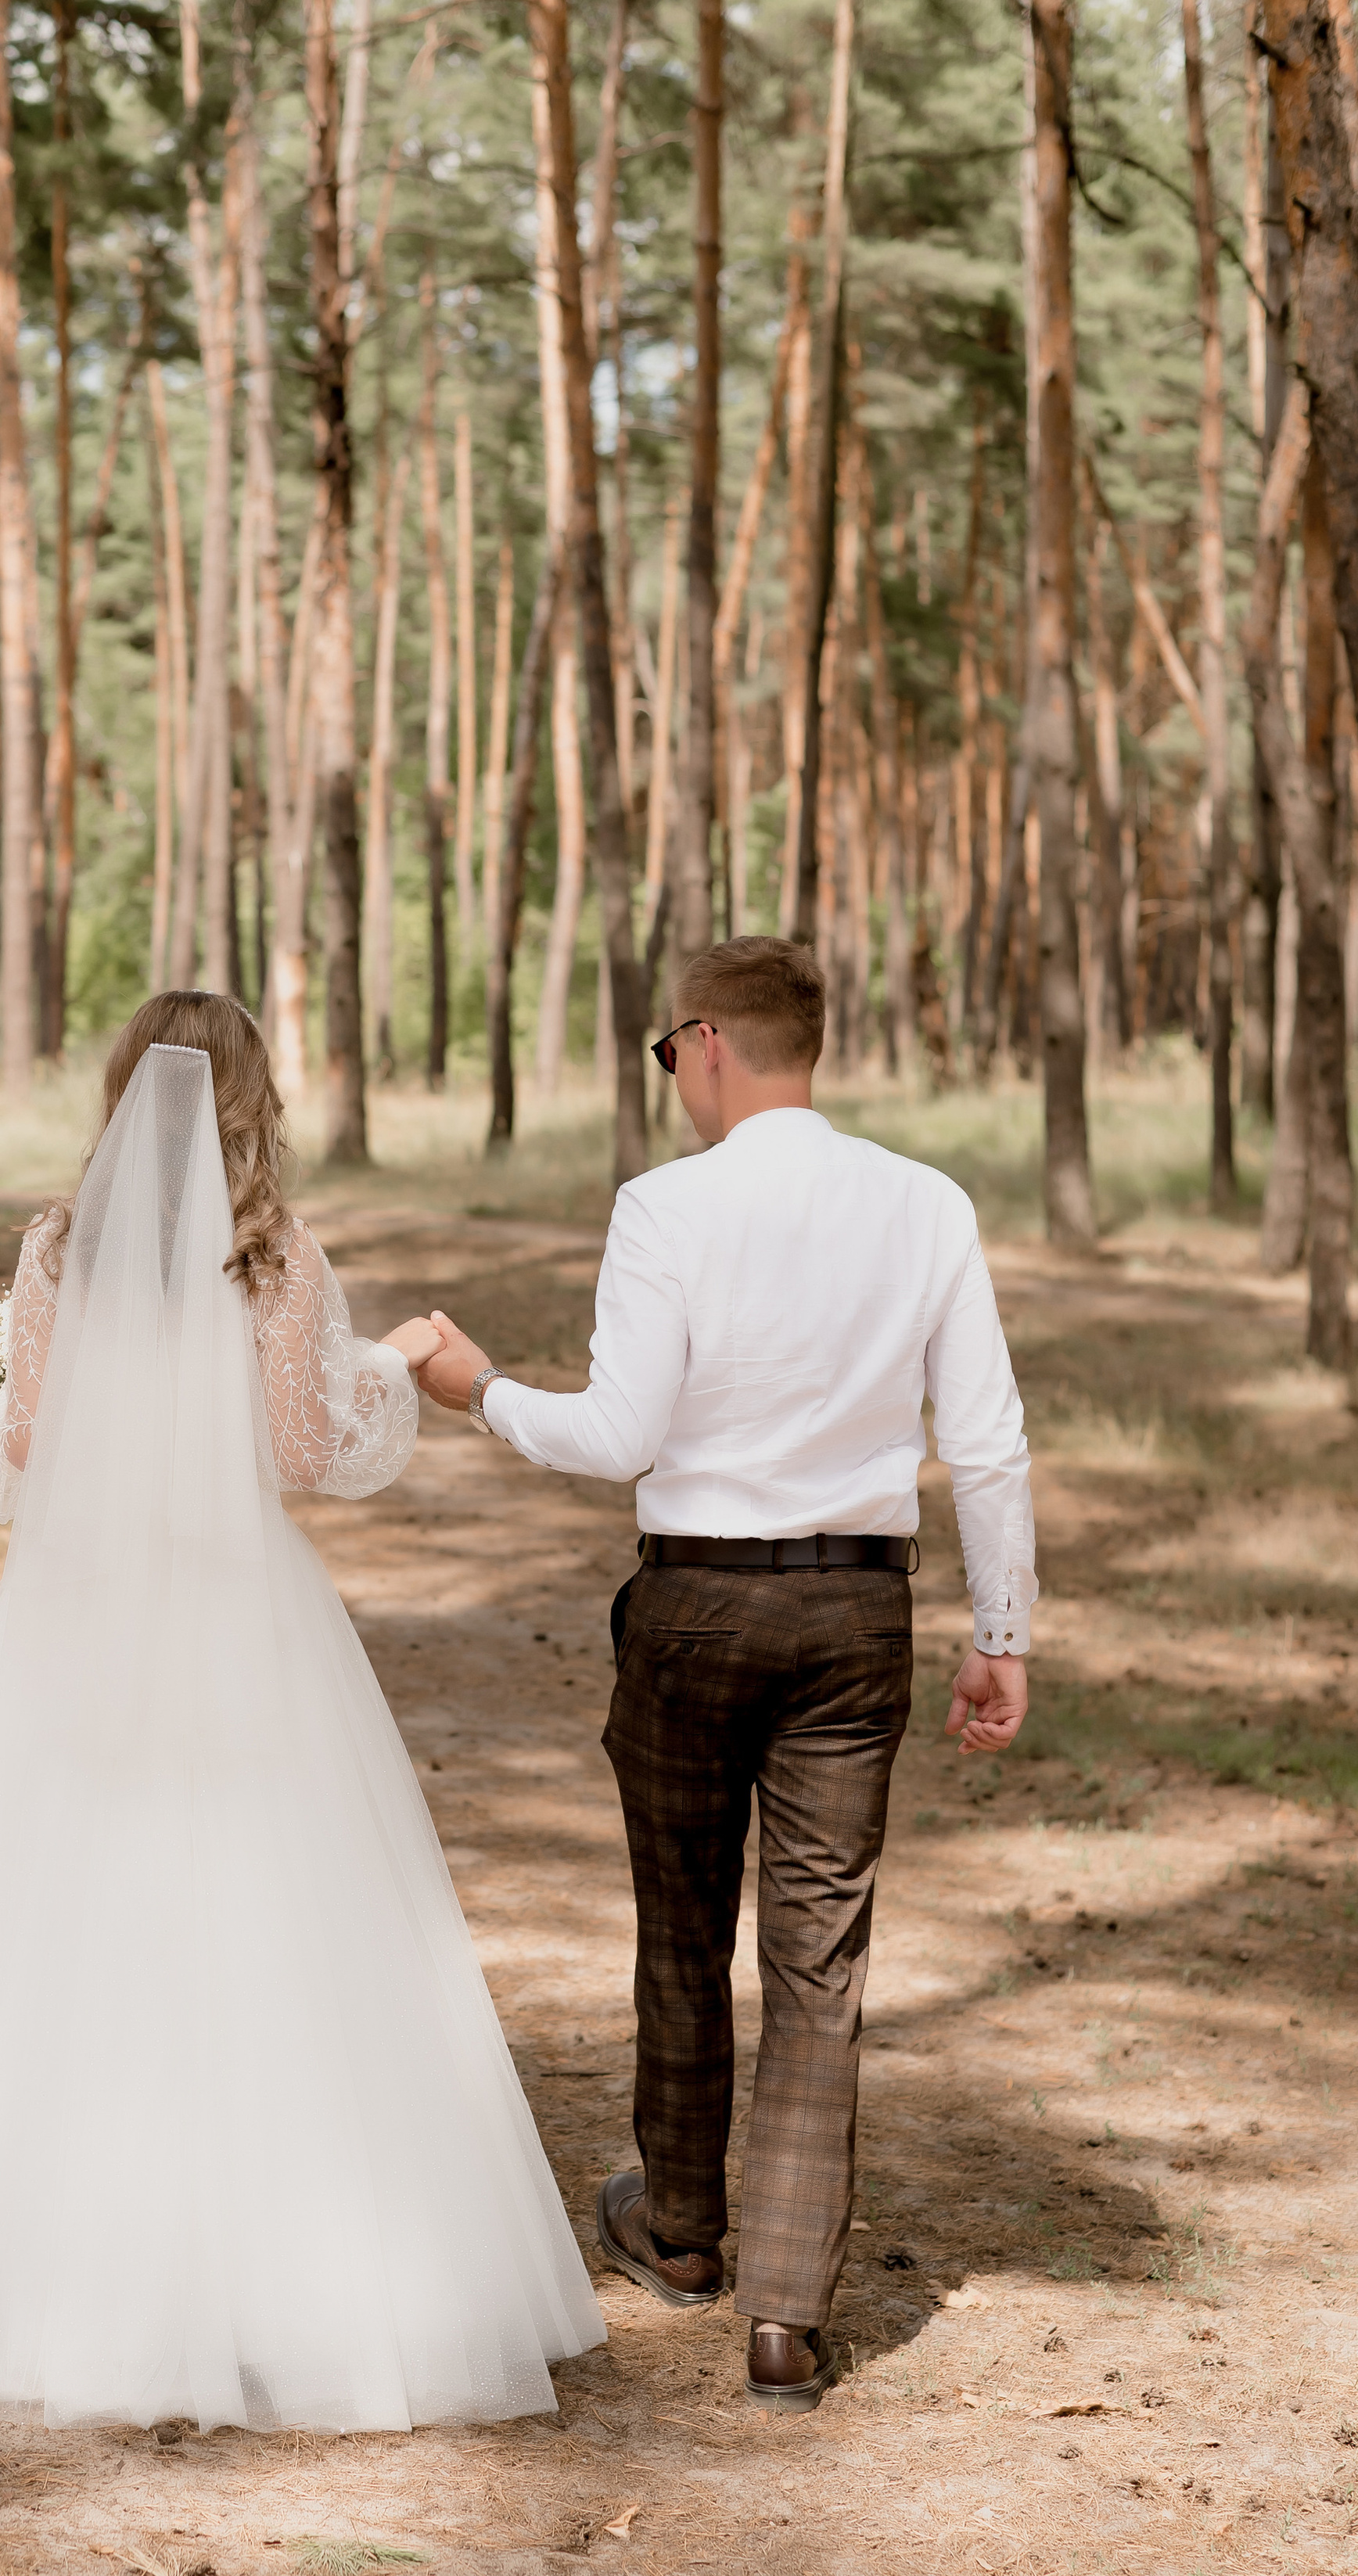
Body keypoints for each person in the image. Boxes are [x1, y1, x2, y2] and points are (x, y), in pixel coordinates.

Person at [0, 993, 604, 2434]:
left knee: (42, 1904)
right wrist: (380, 1372)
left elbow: (39, 1445)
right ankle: (282, 2285)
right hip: (243, 1618)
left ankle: (3, 2263)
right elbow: (306, 1450)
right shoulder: (281, 1255)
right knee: (267, 1915)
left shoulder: (58, 1250)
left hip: (78, 1617)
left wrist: (2, 1401)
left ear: (126, 1098)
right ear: (253, 1101)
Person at [415, 936, 1034, 2413]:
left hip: (694, 1604)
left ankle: (683, 2233)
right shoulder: (927, 1202)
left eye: (666, 1054)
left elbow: (621, 1434)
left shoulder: (664, 1206)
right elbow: (991, 1441)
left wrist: (480, 1392)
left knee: (683, 1923)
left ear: (704, 1041)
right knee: (820, 1962)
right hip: (856, 1619)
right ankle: (788, 2317)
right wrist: (1000, 1634)